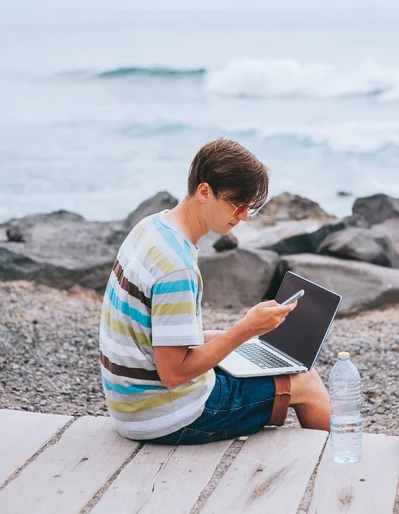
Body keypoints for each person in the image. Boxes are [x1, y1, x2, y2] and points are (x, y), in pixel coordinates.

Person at [99, 138, 331, 444]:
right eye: (239, 205)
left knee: (238, 348)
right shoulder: (177, 268)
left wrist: (239, 333)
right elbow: (174, 375)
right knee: (307, 382)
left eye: (252, 207)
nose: (245, 216)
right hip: (163, 416)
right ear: (205, 192)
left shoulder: (152, 227)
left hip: (130, 403)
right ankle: (344, 468)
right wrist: (244, 331)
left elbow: (159, 336)